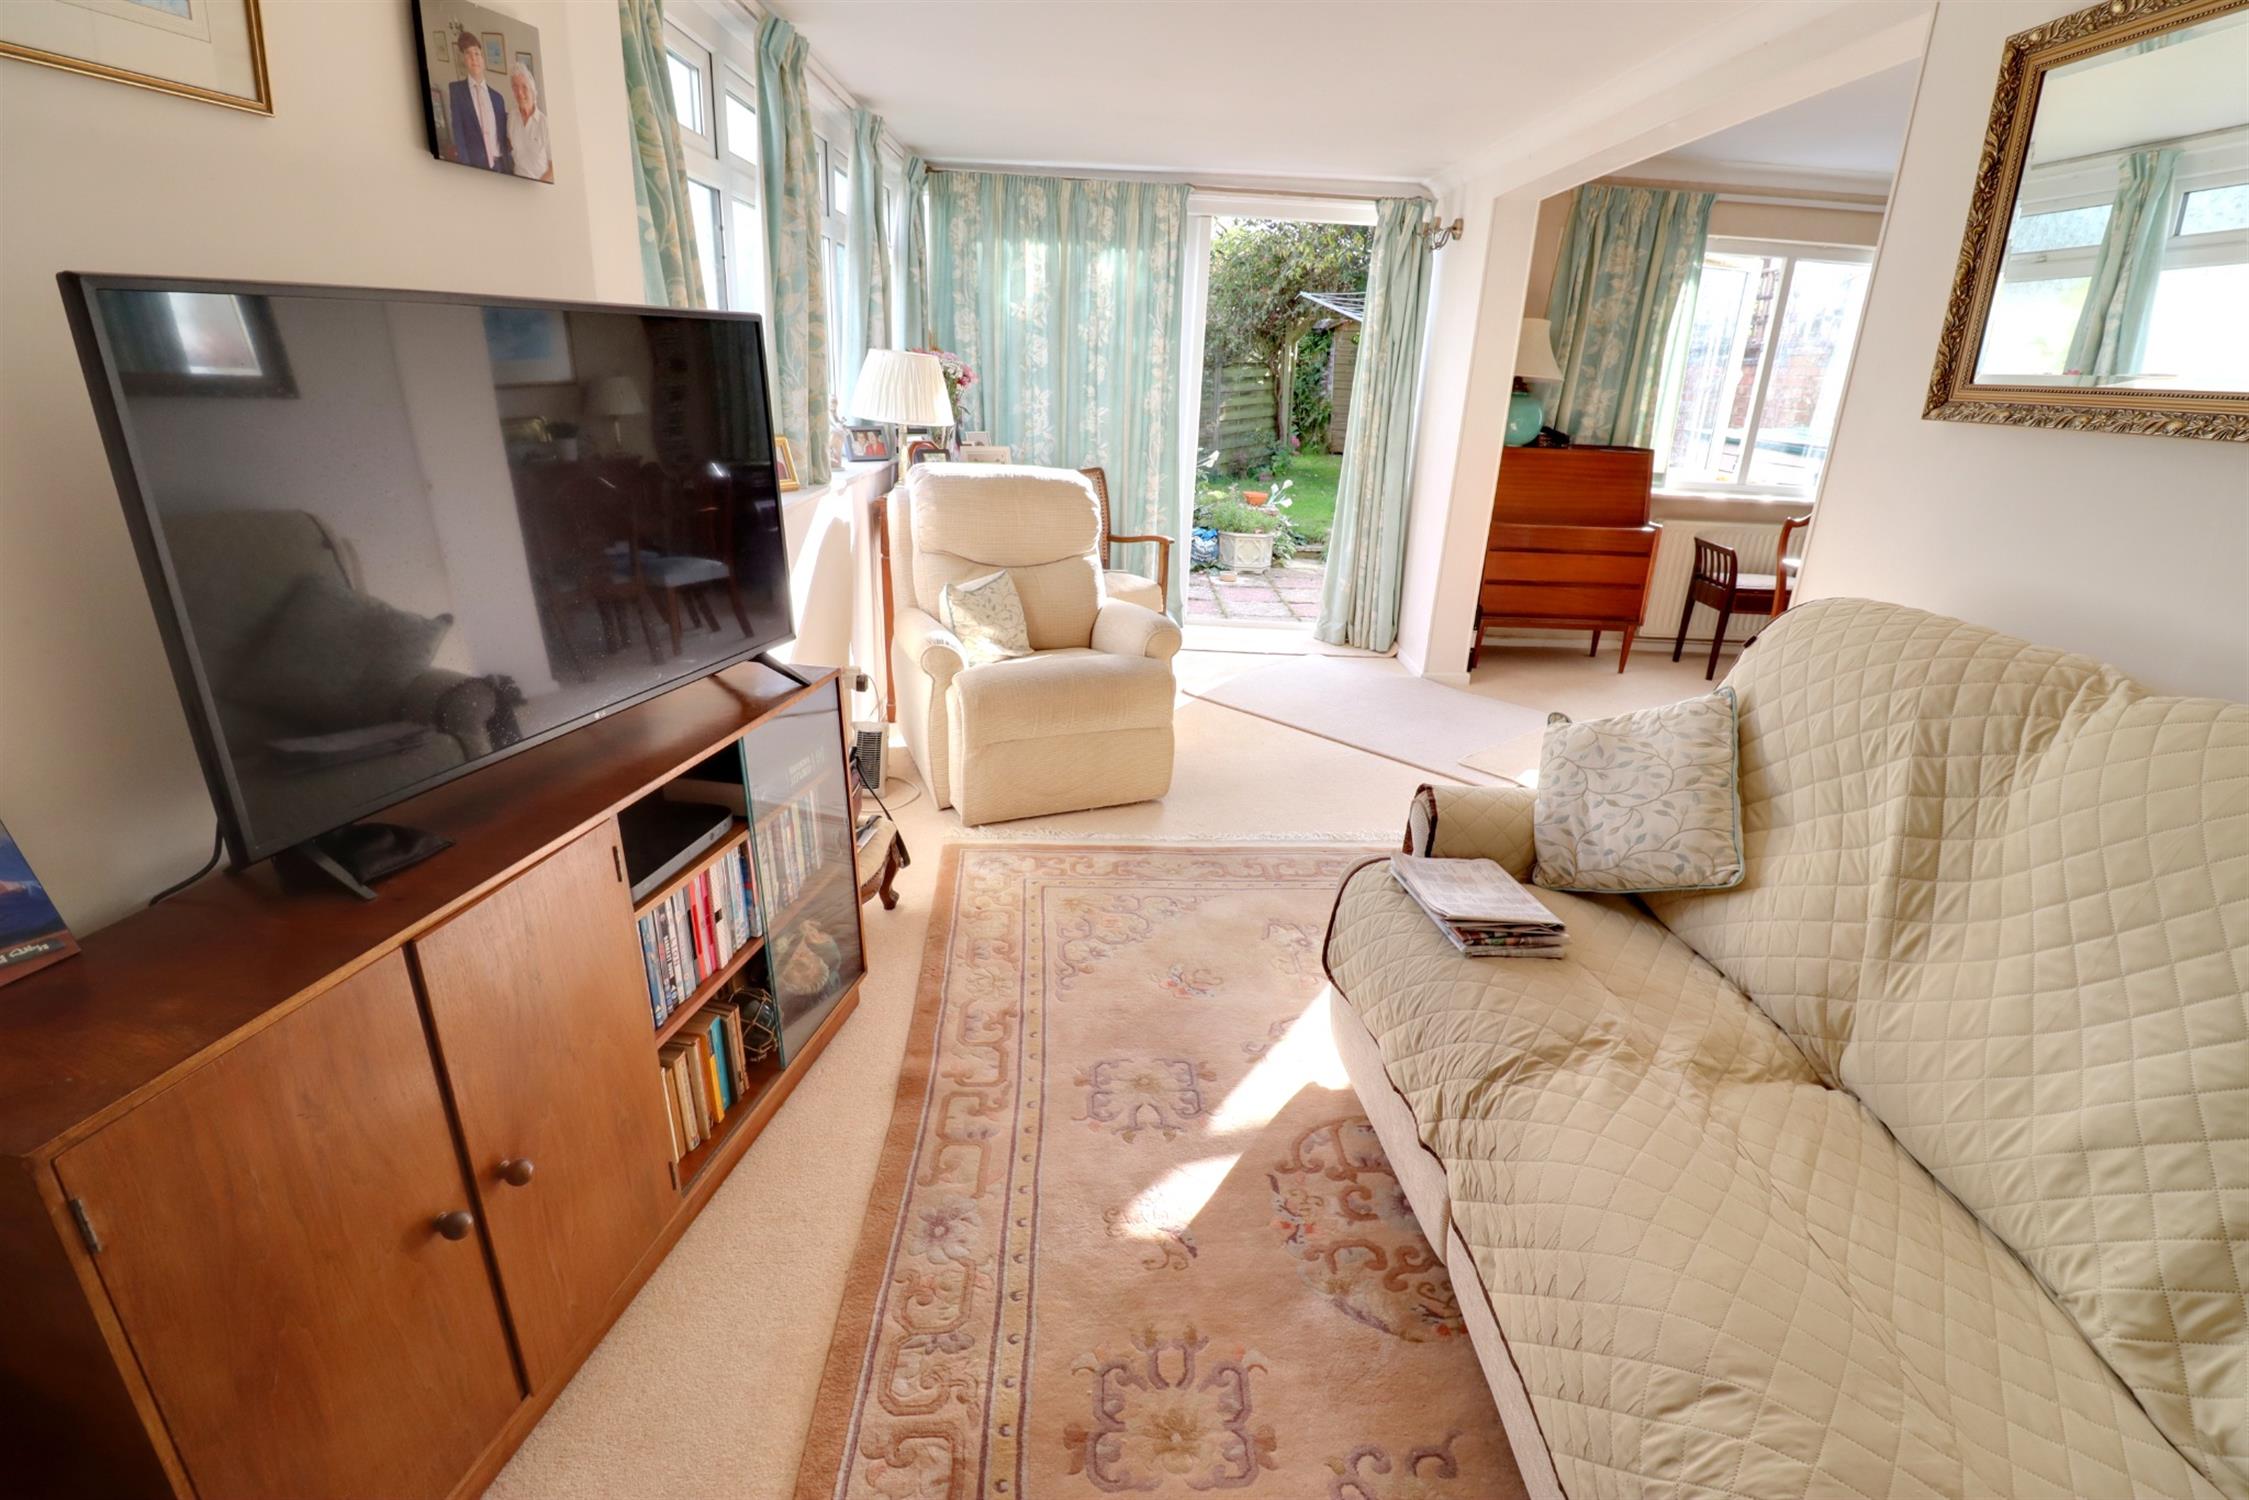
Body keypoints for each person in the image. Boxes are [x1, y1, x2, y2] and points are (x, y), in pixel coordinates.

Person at [445, 31, 511, 173]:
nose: (473, 58)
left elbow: (503, 135)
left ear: (483, 59)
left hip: (500, 165)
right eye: (468, 54)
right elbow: (459, 135)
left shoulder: (498, 98)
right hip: (476, 167)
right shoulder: (457, 92)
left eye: (476, 53)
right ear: (463, 59)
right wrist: (467, 169)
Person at [509, 63, 553, 184]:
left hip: (540, 184)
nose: (520, 93)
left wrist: (537, 186)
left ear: (532, 90)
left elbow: (554, 168)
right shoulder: (511, 118)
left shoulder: (545, 124)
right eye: (515, 87)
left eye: (524, 87)